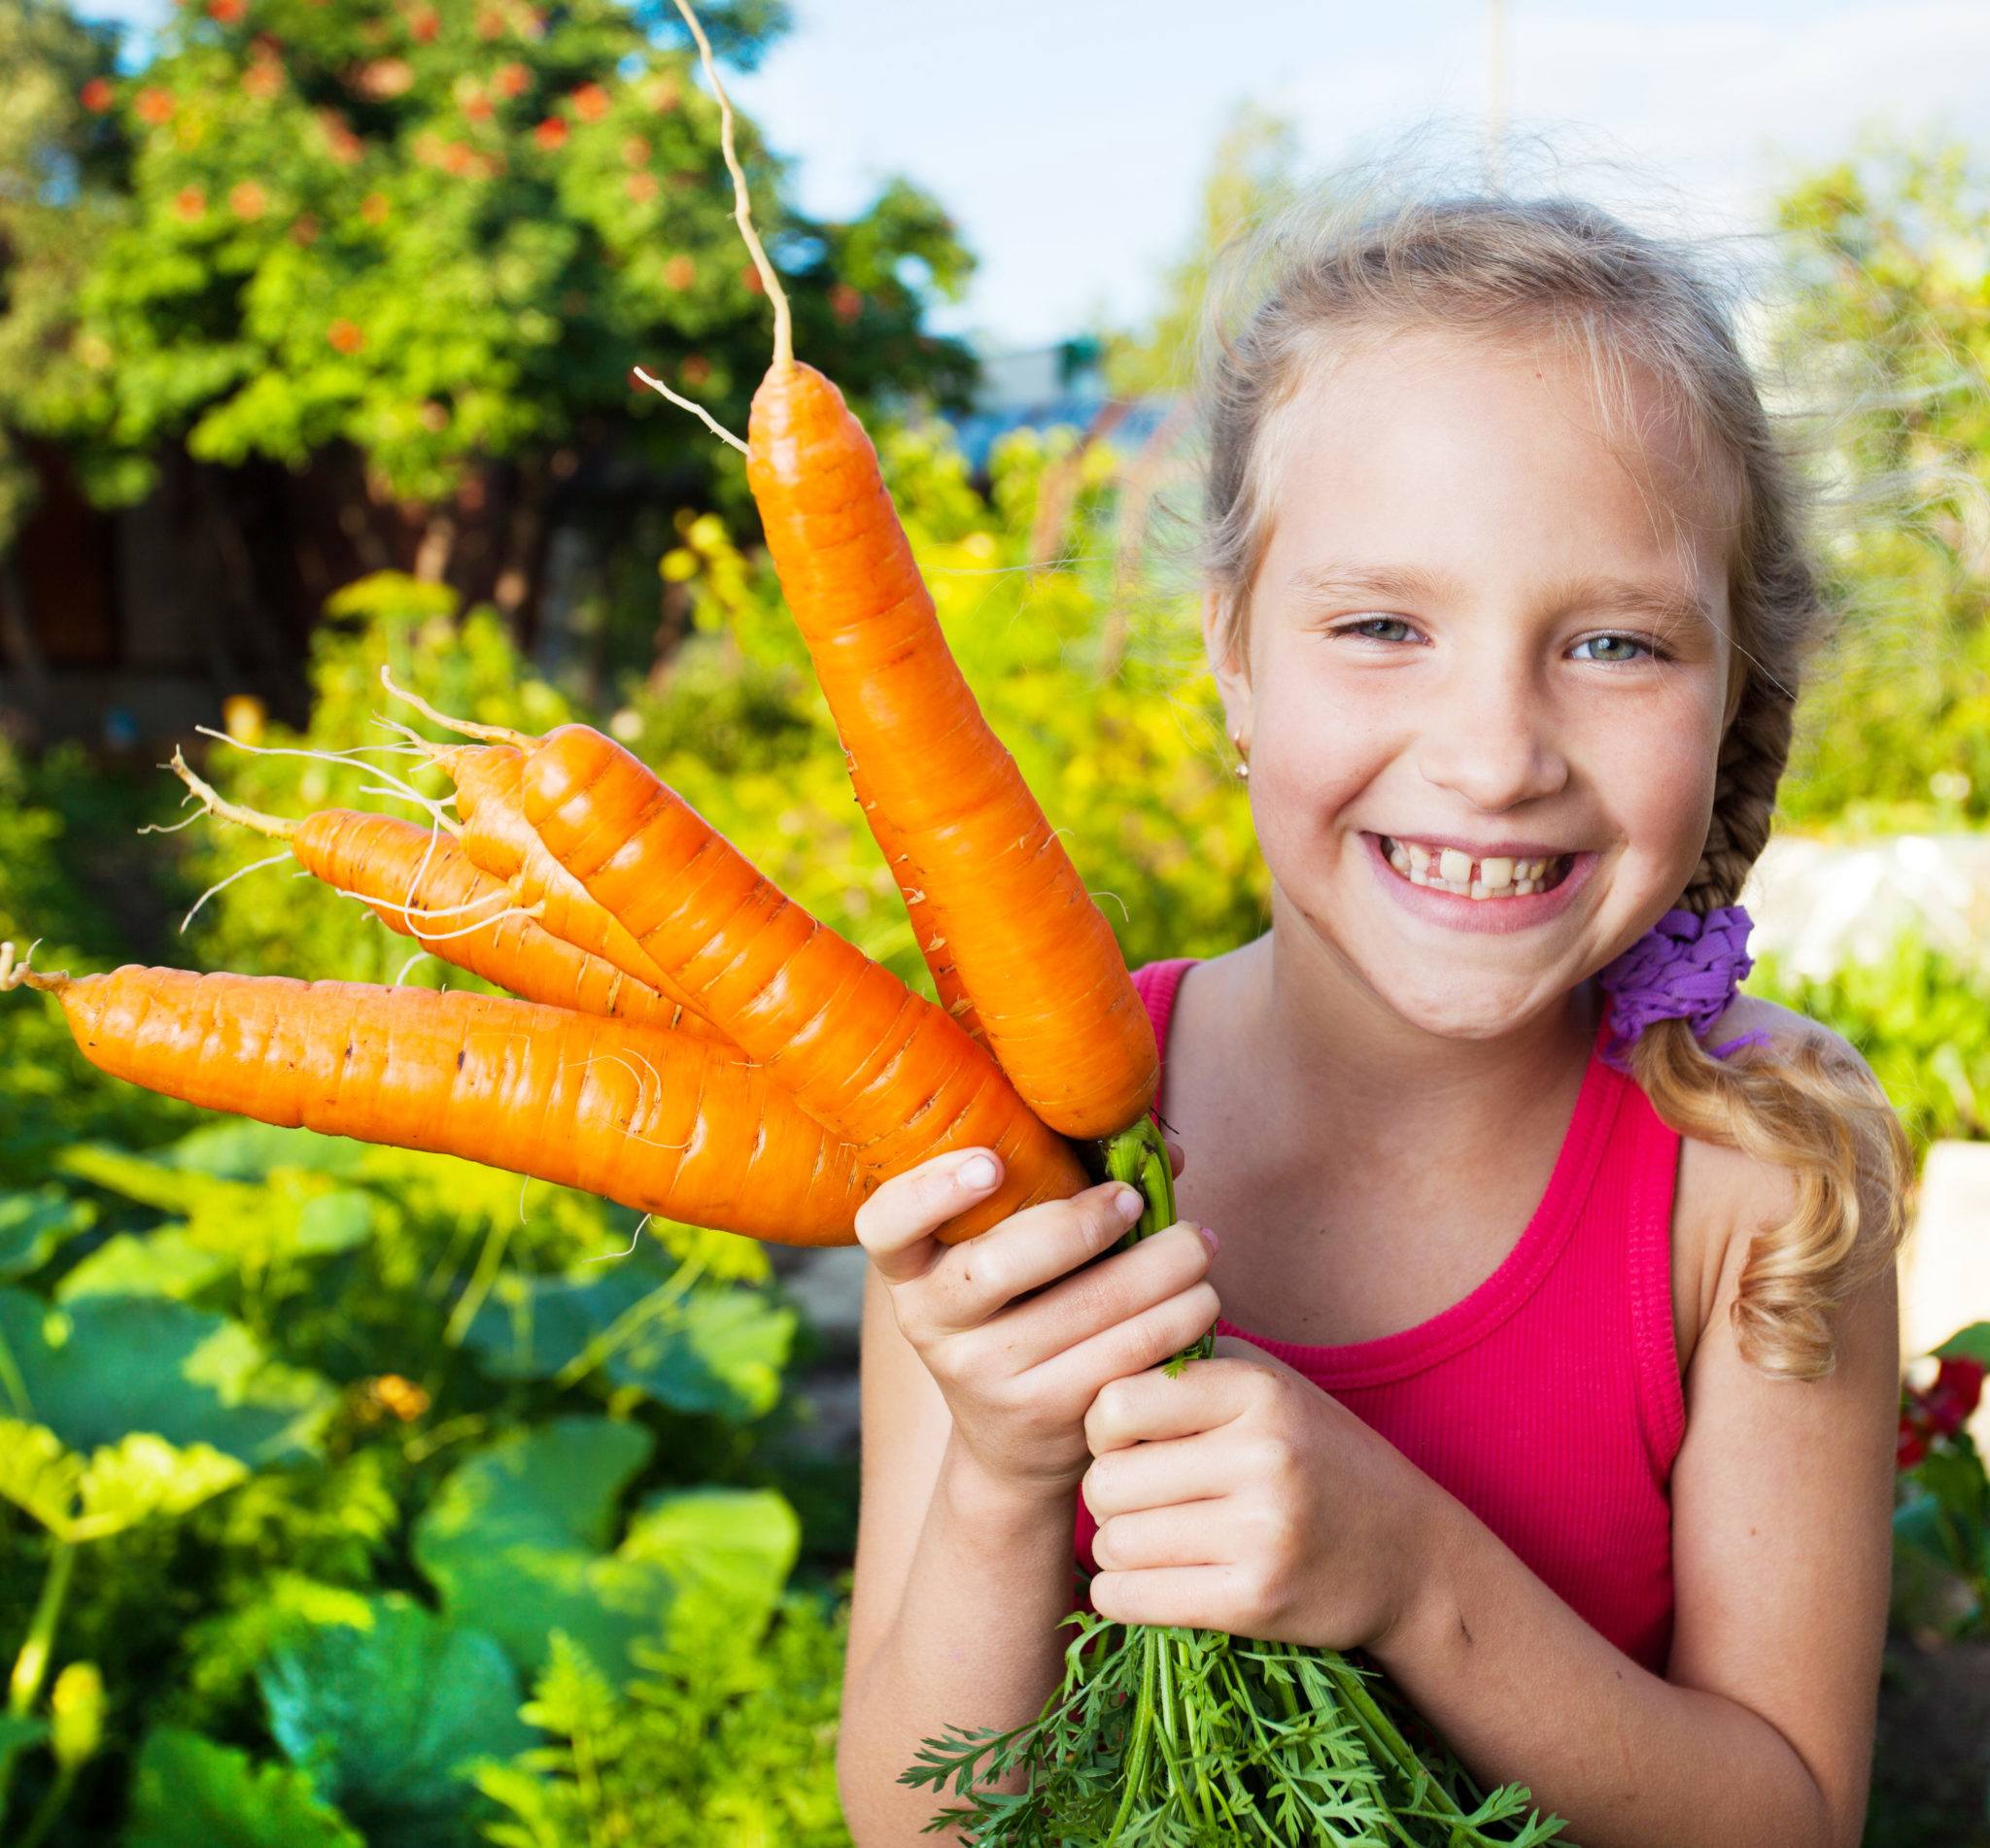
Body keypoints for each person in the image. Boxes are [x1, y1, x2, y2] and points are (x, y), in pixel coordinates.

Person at [834, 172, 1913, 1848]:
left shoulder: (1761, 1163)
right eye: (1383, 624)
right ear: (1235, 657)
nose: (1496, 754)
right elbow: (924, 1825)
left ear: (1738, 689)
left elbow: (1790, 1817)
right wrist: (1001, 1469)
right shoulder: (1025, 1139)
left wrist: (1410, 1578)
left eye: (1618, 643)